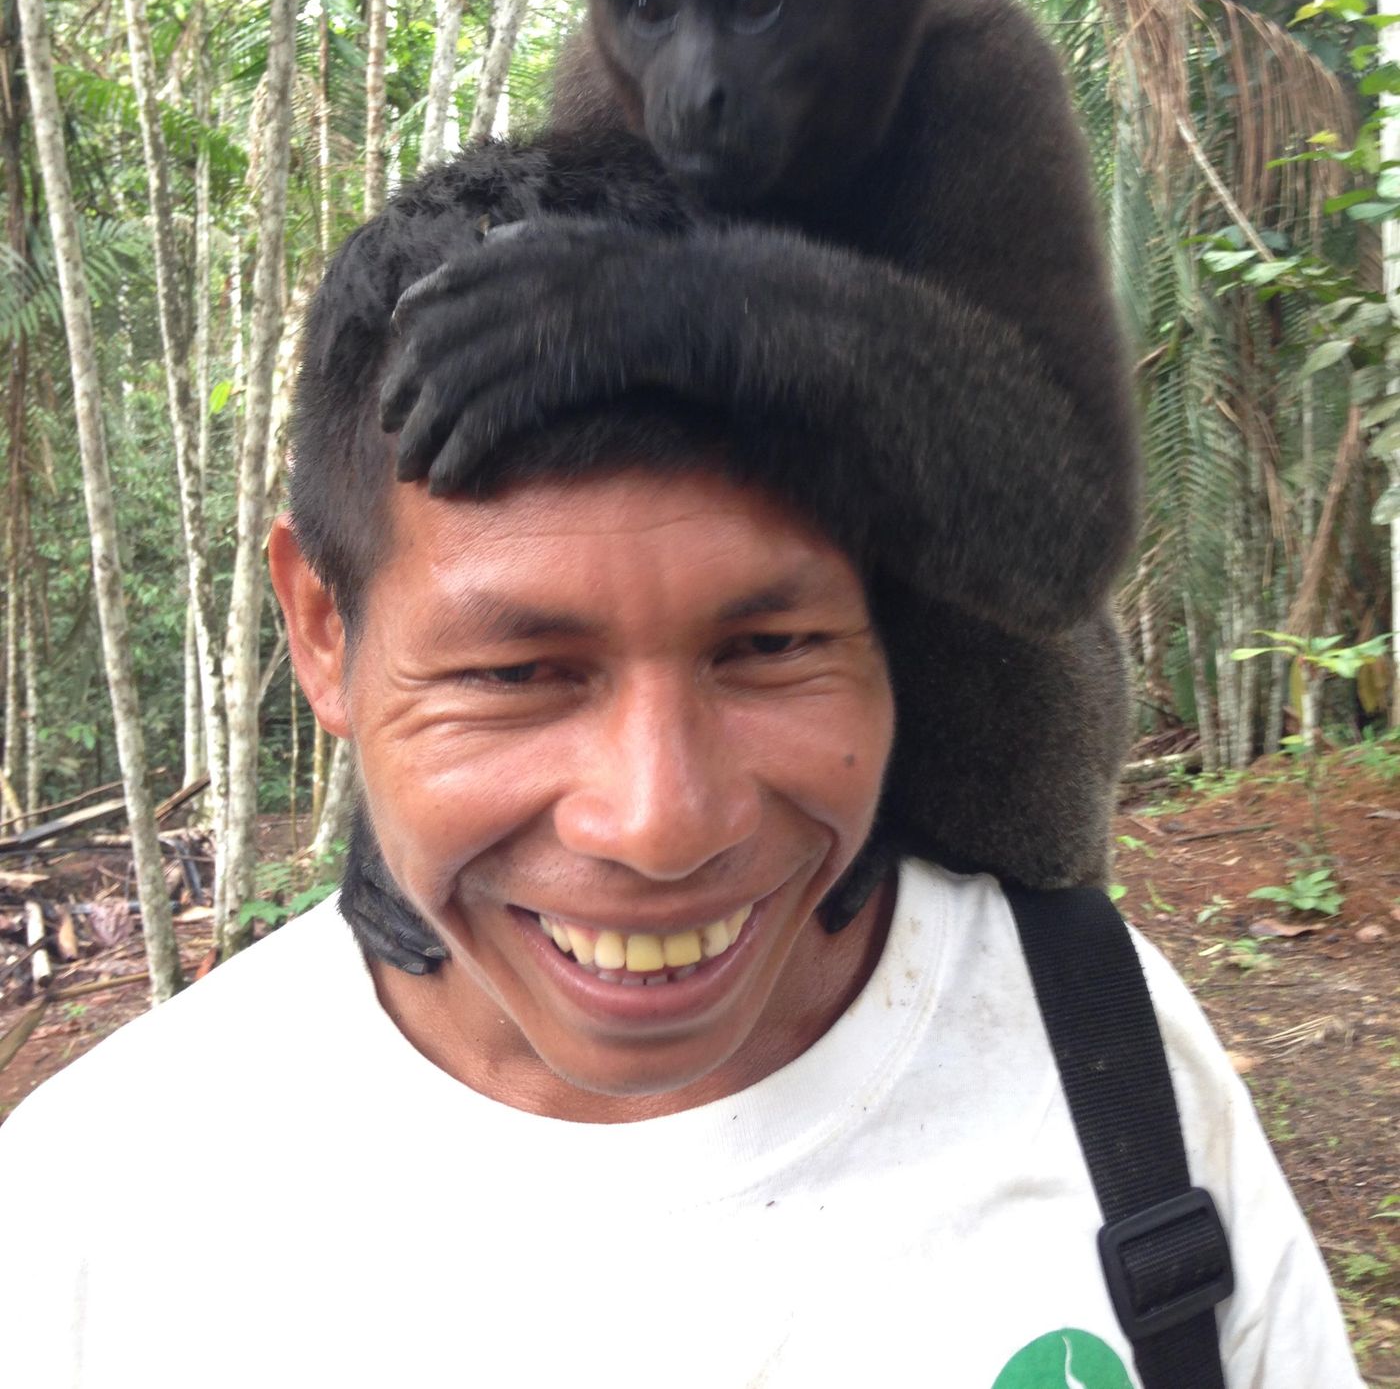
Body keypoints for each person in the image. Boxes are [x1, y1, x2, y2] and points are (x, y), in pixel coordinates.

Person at [0, 160, 1362, 1389]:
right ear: (320, 628)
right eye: (514, 673)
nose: (659, 825)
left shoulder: (1104, 1052)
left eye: (771, 648)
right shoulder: (91, 1222)